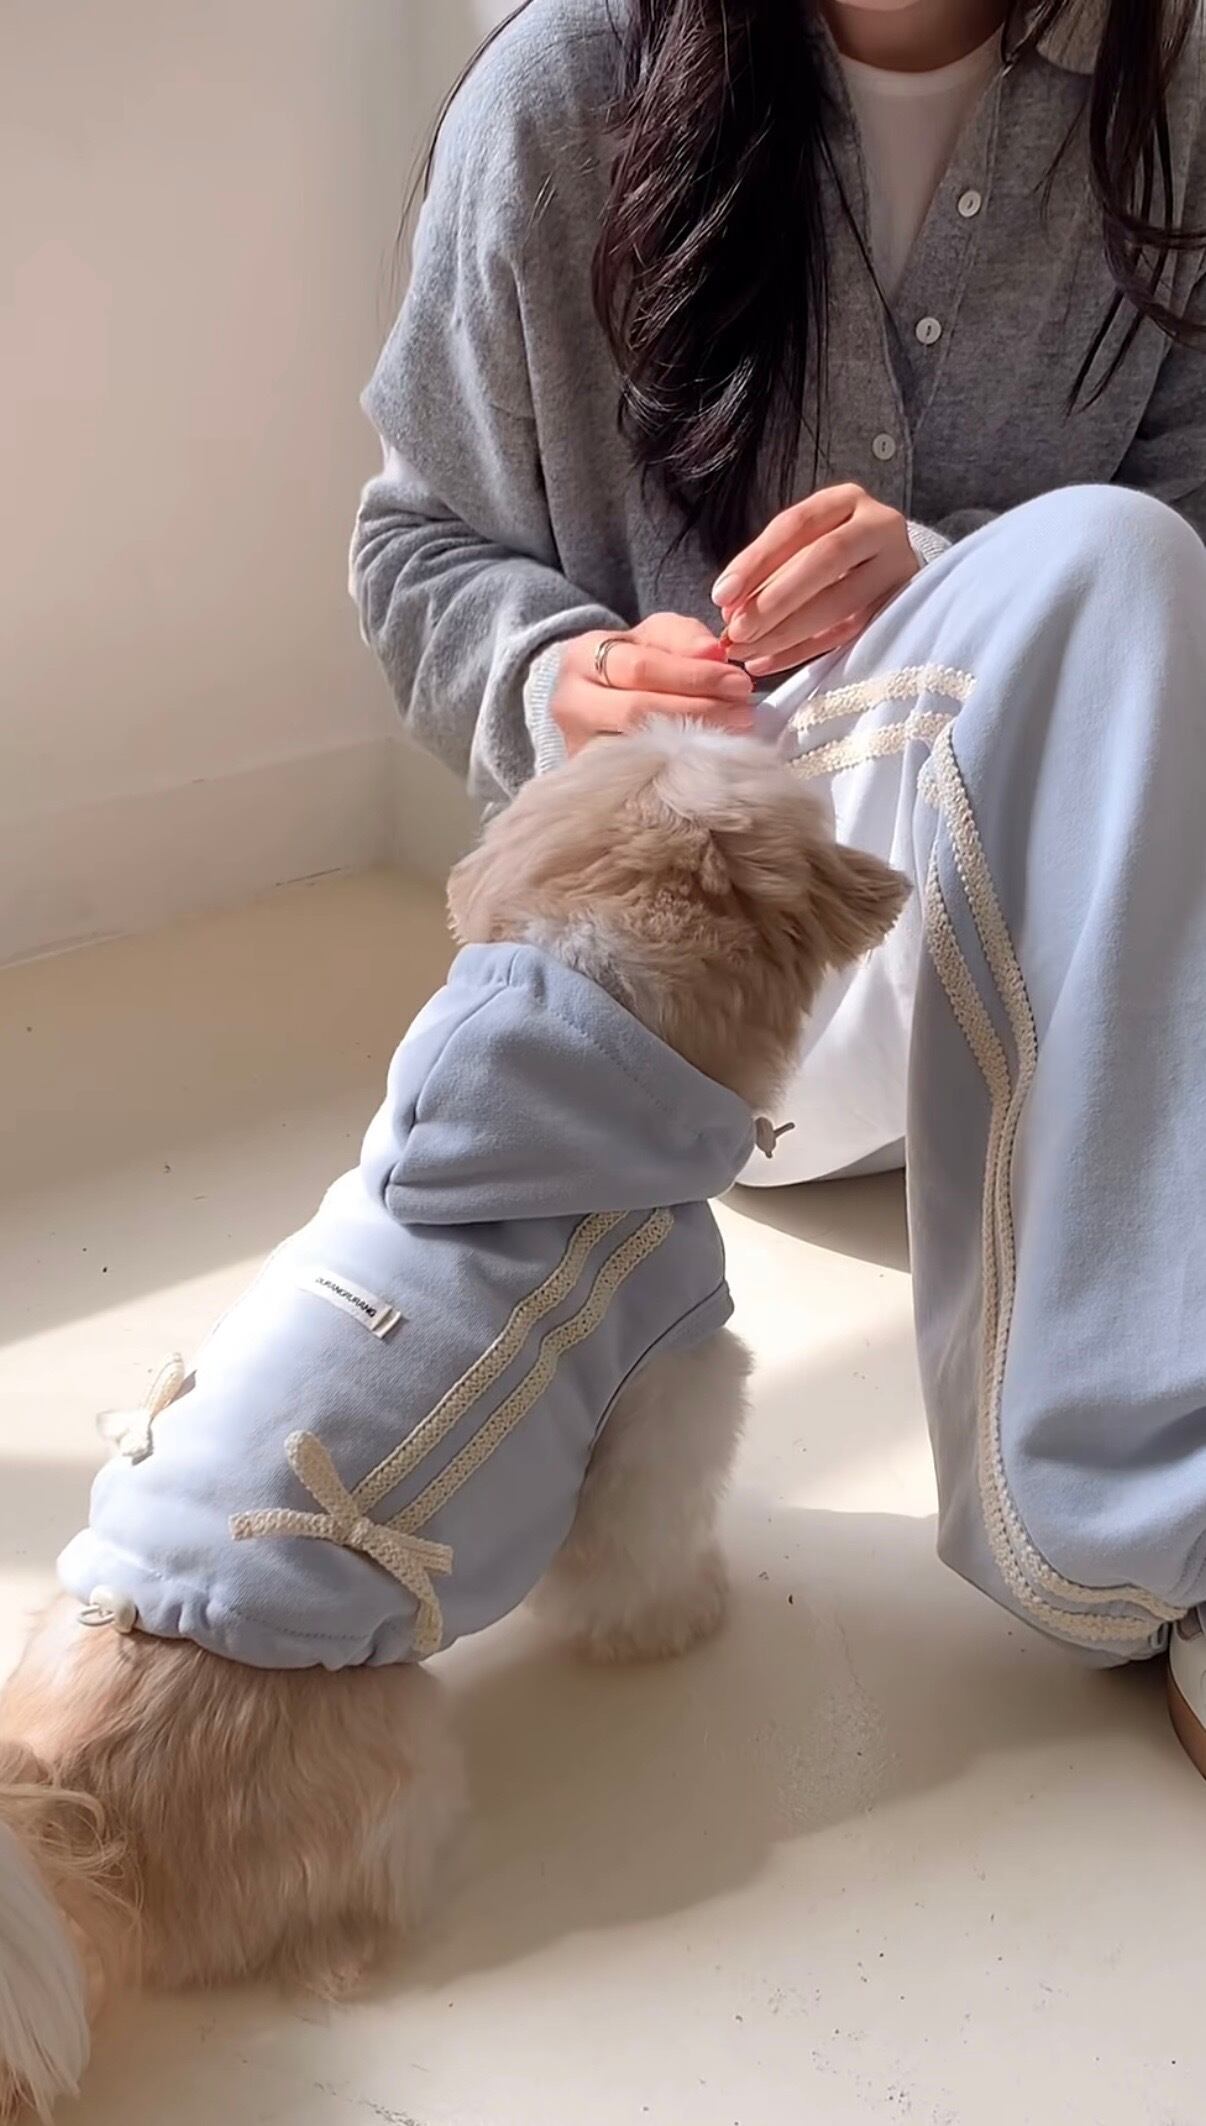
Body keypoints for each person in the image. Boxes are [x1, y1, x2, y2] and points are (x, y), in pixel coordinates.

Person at [350, 0, 1206, 1761]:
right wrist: (557, 681)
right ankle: (1148, 1528)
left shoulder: (1178, 94)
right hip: (721, 985)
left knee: (1118, 573)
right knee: (1112, 561)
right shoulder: (569, 87)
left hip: (1072, 952)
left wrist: (956, 574)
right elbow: (415, 540)